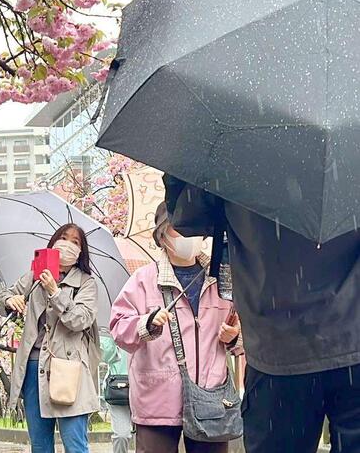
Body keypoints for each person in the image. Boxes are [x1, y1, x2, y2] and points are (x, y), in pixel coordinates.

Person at [164, 176, 360, 453]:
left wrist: (176, 171)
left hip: (277, 348)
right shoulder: (350, 151)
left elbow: (186, 218)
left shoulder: (234, 154)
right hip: (351, 338)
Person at [110, 203, 242, 453]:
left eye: (193, 229)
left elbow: (243, 332)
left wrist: (234, 338)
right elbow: (118, 327)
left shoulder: (222, 279)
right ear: (162, 235)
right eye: (179, 229)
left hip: (211, 398)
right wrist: (146, 324)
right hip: (157, 398)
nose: (188, 236)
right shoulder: (143, 280)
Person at [0, 223, 100, 453]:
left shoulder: (86, 283)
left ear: (81, 252)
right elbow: (5, 295)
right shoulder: (35, 275)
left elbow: (80, 320)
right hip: (34, 366)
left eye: (75, 242)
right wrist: (9, 301)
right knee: (40, 444)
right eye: (64, 238)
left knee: (75, 444)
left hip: (69, 369)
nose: (68, 245)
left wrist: (55, 292)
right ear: (53, 242)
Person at [100, 335, 132, 453]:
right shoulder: (117, 326)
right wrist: (113, 338)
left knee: (149, 437)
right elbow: (105, 356)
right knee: (121, 435)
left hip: (147, 388)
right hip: (119, 390)